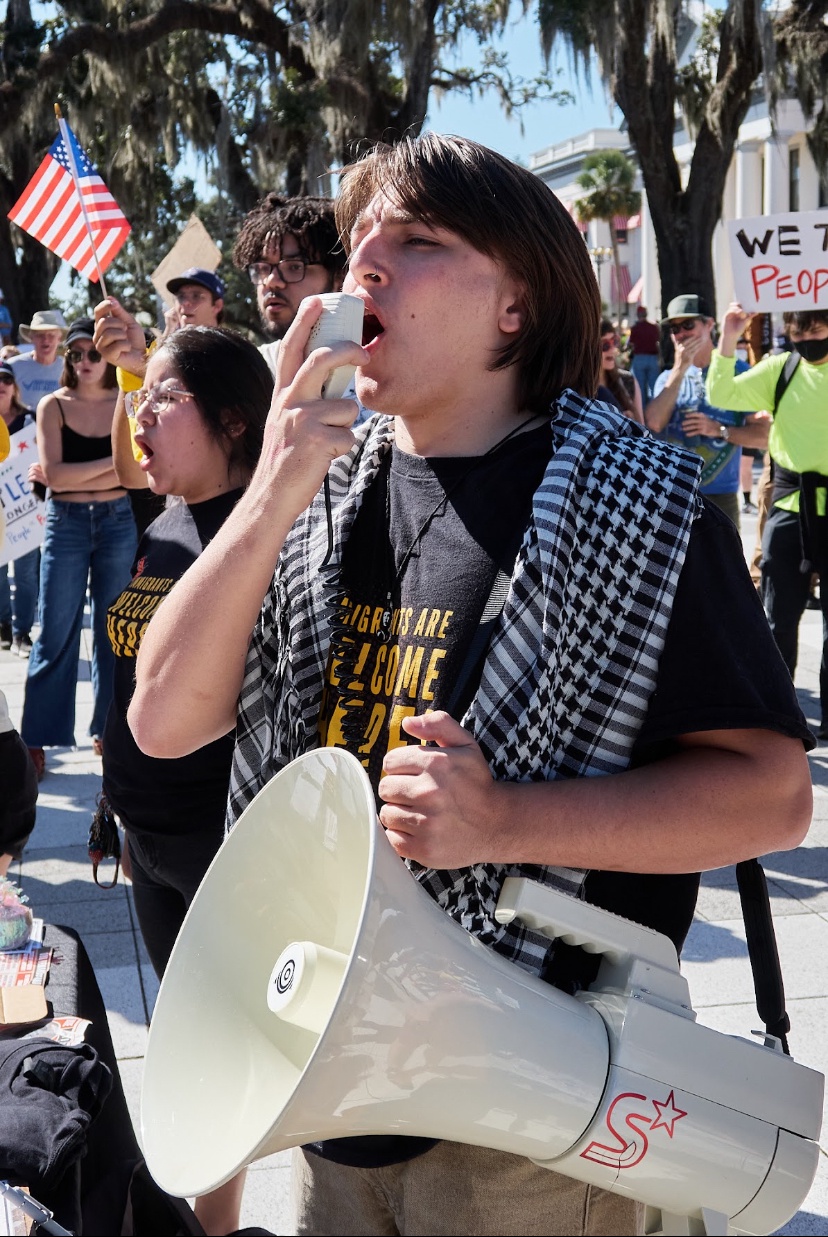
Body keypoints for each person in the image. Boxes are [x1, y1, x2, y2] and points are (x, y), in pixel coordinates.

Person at [129, 134, 812, 1237]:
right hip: (338, 1093)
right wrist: (273, 486)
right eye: (359, 244)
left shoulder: (629, 502)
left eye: (419, 242)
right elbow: (162, 718)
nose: (367, 268)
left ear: (516, 305)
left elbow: (772, 794)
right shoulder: (318, 490)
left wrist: (503, 819)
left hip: (529, 1115)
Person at [95, 322, 270, 1237]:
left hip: (216, 840)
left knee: (228, 1044)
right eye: (140, 398)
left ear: (235, 422)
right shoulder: (162, 521)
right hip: (148, 837)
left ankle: (218, 1223)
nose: (140, 416)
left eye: (164, 399)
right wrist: (110, 805)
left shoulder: (258, 538)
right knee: (188, 1039)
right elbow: (135, 676)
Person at [21, 318, 137, 778]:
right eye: (76, 353)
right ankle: (36, 736)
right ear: (67, 360)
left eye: (93, 352)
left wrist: (86, 472)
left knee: (114, 633)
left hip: (117, 522)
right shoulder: (52, 405)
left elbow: (136, 474)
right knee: (54, 631)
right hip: (65, 523)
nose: (85, 361)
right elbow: (56, 476)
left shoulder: (125, 401)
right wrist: (113, 464)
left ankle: (107, 731)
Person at [707, 303, 828, 737]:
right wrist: (729, 335)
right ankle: (778, 717)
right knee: (778, 617)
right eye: (801, 333)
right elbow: (720, 395)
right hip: (789, 509)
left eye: (818, 330)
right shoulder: (781, 369)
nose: (810, 340)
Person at [645, 294, 769, 527]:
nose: (681, 333)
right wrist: (680, 369)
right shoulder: (667, 378)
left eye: (688, 325)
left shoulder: (740, 373)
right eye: (674, 328)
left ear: (710, 324)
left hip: (719, 496)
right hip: (672, 493)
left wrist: (719, 430)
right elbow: (653, 423)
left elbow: (763, 436)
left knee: (723, 564)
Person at [232, 193, 347, 375]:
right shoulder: (248, 375)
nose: (272, 281)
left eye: (294, 267)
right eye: (262, 268)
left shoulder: (373, 370)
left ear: (339, 278)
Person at [0, 361, 40, 657]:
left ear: (14, 387)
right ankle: (2, 626)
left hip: (26, 514)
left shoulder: (31, 420)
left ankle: (22, 632)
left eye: (6, 379)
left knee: (26, 575)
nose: (0, 384)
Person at [8, 310, 67, 409]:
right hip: (23, 423)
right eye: (40, 335)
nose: (45, 340)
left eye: (51, 335)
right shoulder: (12, 367)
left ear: (59, 338)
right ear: (31, 337)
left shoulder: (69, 368)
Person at [596, 319, 643, 423]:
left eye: (615, 341)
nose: (613, 349)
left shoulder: (628, 380)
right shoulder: (577, 389)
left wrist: (631, 423)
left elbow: (643, 431)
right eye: (605, 345)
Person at [627, 305, 660, 406]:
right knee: (655, 387)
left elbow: (631, 344)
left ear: (637, 315)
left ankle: (642, 413)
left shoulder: (635, 328)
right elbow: (657, 342)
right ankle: (655, 410)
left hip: (639, 358)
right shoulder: (654, 327)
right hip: (652, 358)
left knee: (640, 388)